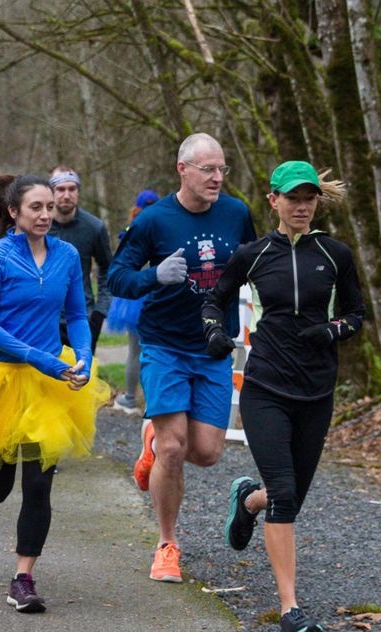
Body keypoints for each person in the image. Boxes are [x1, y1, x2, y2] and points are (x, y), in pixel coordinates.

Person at [203, 160, 362, 632]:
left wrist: (330, 330)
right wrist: (214, 330)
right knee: (287, 496)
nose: (301, 206)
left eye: (309, 198)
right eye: (292, 198)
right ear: (273, 200)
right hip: (266, 386)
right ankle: (290, 612)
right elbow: (216, 299)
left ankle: (248, 500)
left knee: (285, 495)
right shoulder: (252, 254)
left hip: (316, 390)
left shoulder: (335, 254)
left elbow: (356, 315)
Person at [0, 174, 110, 613]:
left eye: (50, 207)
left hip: (49, 383)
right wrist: (42, 358)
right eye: (35, 207)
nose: (45, 215)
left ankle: (23, 577)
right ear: (14, 212)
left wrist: (84, 359)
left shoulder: (68, 255)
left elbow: (77, 312)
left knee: (38, 485)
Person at [106, 132, 256, 583]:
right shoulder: (153, 221)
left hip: (212, 348)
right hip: (165, 345)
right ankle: (167, 543)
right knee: (174, 448)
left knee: (207, 453)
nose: (216, 178)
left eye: (222, 169)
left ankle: (153, 441)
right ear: (182, 170)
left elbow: (253, 261)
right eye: (207, 169)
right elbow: (117, 278)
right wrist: (155, 274)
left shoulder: (236, 213)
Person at [48, 166, 112, 354]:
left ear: (78, 191)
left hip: (83, 318)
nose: (66, 195)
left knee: (81, 378)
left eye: (72, 189)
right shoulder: (39, 224)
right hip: (45, 318)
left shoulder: (94, 227)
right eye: (60, 189)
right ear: (51, 191)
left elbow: (108, 269)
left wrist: (100, 312)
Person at [110, 188, 160, 414]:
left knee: (135, 350)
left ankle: (130, 397)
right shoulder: (165, 227)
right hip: (158, 293)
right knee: (158, 351)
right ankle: (153, 402)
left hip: (135, 297)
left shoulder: (130, 231)